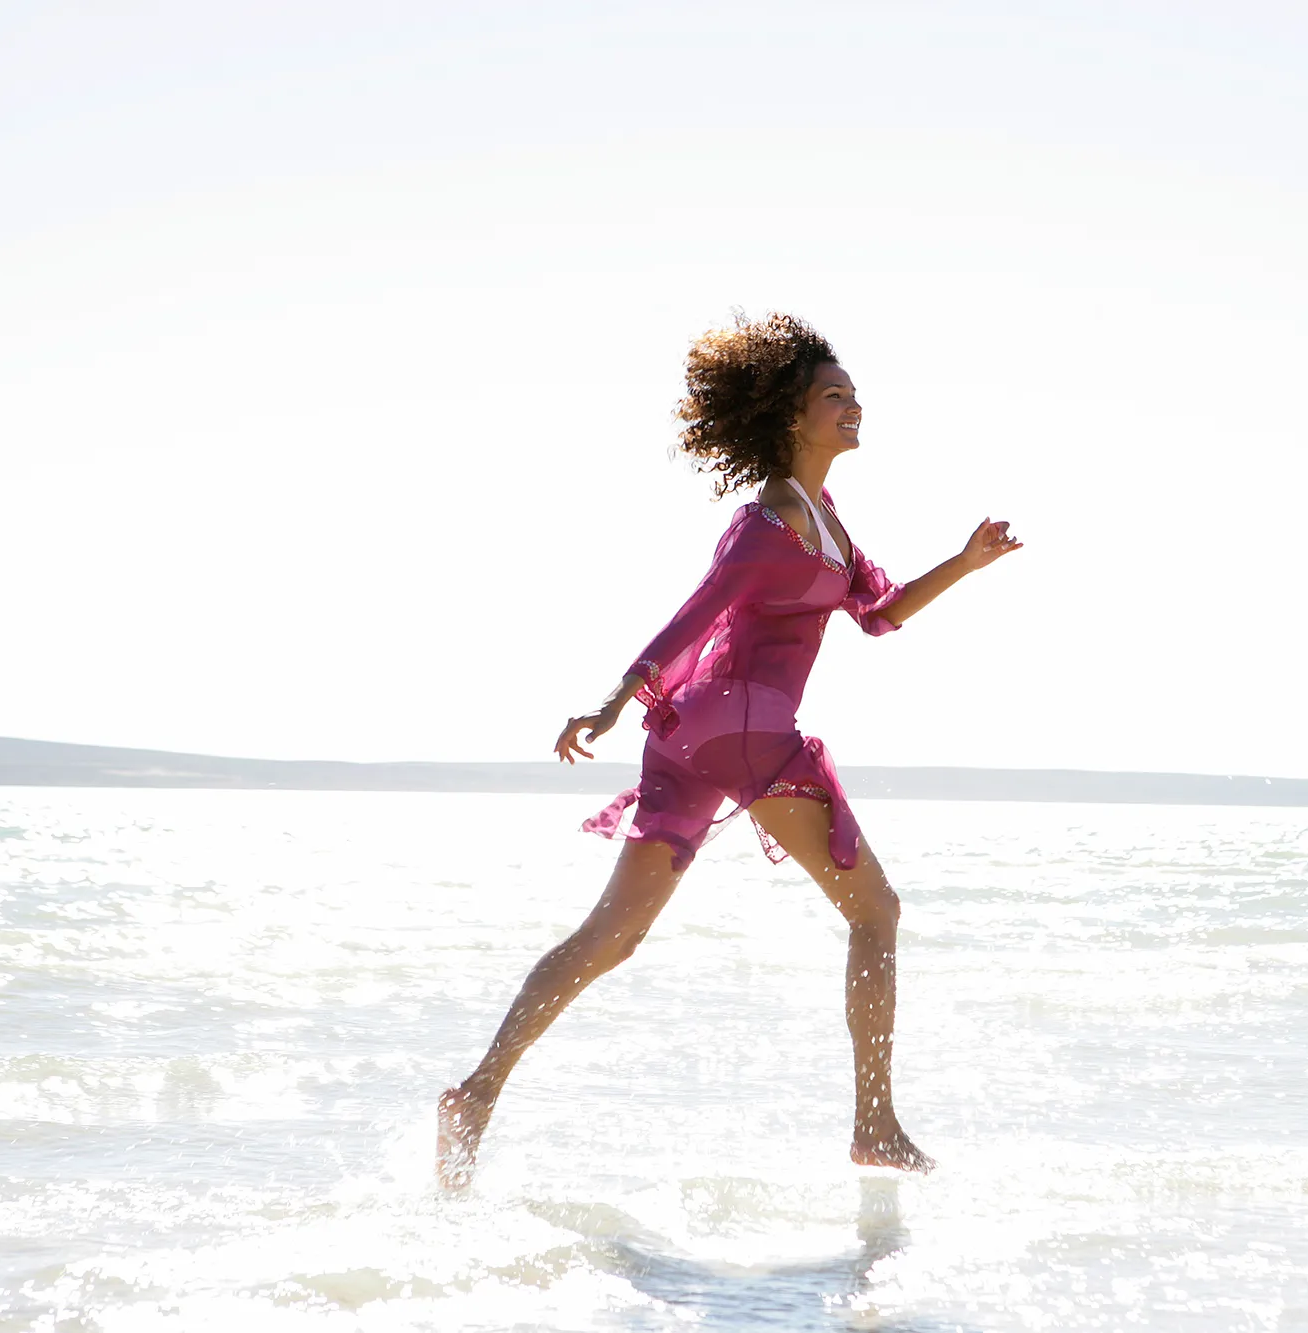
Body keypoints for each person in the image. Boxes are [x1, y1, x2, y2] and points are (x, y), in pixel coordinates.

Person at [436, 312, 1021, 1189]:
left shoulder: (823, 521)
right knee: (876, 913)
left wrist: (964, 564)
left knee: (612, 934)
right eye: (835, 396)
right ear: (792, 415)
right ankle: (876, 1125)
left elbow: (880, 611)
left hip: (689, 737)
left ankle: (475, 1093)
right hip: (743, 728)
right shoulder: (767, 525)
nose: (854, 405)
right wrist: (603, 703)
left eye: (855, 393)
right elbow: (696, 614)